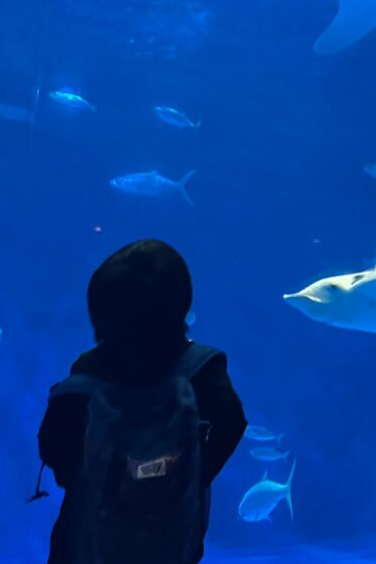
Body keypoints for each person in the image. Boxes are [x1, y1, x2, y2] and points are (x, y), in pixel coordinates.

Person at [38, 240, 247, 564]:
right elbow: (233, 422)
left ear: (99, 312)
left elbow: (53, 445)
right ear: (182, 304)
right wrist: (194, 475)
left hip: (85, 543)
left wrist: (88, 479)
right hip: (169, 542)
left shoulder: (86, 371)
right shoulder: (202, 367)